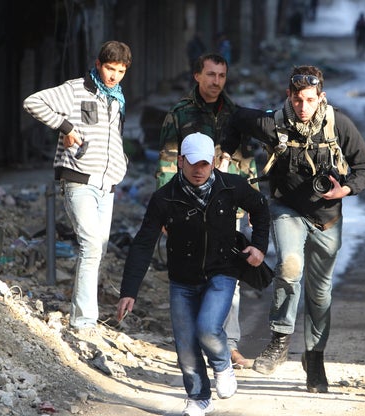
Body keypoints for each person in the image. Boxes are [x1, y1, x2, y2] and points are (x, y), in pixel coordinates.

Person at [219, 65, 365, 393]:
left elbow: (364, 166)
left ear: (322, 98)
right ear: (288, 95)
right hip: (286, 209)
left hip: (328, 216)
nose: (303, 107)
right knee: (290, 266)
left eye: (310, 100)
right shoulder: (272, 122)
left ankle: (314, 357)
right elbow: (235, 118)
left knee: (320, 293)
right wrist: (227, 160)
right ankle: (279, 340)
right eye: (297, 99)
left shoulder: (338, 124)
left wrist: (344, 189)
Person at [116, 132, 270, 416]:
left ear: (213, 162)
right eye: (192, 164)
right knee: (186, 343)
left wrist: (259, 246)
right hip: (182, 280)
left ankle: (222, 364)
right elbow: (143, 243)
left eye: (204, 164)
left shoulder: (230, 186)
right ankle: (199, 397)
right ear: (180, 162)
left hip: (221, 272)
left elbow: (261, 208)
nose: (199, 171)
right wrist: (129, 291)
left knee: (208, 328)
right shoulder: (165, 198)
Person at [22, 40, 132, 333]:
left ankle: (84, 314)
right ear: (98, 64)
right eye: (110, 69)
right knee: (91, 245)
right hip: (77, 179)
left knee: (99, 248)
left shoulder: (117, 97)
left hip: (107, 185)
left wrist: (122, 162)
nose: (114, 76)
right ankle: (84, 322)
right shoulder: (75, 89)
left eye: (121, 71)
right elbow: (33, 102)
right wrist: (67, 128)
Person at [157, 53, 258, 369]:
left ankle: (228, 345)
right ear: (197, 76)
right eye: (211, 74)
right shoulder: (179, 114)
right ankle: (193, 345)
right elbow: (166, 163)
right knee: (191, 274)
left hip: (228, 206)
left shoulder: (237, 115)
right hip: (188, 207)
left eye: (222, 76)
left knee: (230, 276)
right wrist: (166, 212)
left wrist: (252, 201)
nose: (216, 81)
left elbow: (247, 161)